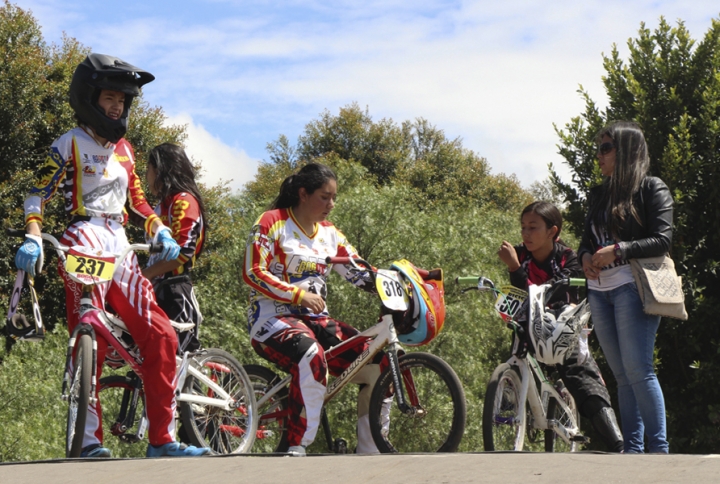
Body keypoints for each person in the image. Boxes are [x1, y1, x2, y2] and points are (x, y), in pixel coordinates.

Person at [14, 53, 209, 458]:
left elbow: (138, 201)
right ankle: (87, 441)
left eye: (123, 99)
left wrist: (160, 229)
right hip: (80, 239)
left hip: (120, 245)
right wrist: (33, 235)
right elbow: (38, 193)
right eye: (109, 97)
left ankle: (163, 439)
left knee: (162, 335)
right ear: (89, 97)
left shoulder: (125, 150)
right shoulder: (67, 142)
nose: (117, 106)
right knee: (89, 335)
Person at [243, 162, 387, 456]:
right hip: (272, 319)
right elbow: (252, 272)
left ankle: (371, 450)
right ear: (303, 194)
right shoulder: (272, 222)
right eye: (325, 196)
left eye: (334, 197)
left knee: (378, 362)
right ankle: (298, 445)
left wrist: (401, 281)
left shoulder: (330, 233)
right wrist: (297, 295)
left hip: (317, 321)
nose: (331, 204)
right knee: (311, 353)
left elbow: (360, 272)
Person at [498, 201, 624, 452]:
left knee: (584, 382)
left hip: (563, 330)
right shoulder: (520, 254)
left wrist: (514, 268)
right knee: (512, 357)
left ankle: (618, 445)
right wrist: (512, 268)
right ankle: (505, 414)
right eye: (523, 227)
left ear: (552, 231)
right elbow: (519, 293)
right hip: (530, 328)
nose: (525, 234)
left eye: (533, 227)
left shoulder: (569, 258)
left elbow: (557, 290)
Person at [578, 120, 672, 454]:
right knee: (621, 375)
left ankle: (658, 450)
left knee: (639, 370)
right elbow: (586, 241)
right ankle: (633, 451)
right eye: (599, 149)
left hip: (633, 288)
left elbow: (663, 239)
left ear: (627, 151)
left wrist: (618, 250)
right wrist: (587, 255)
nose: (599, 156)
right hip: (601, 293)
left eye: (606, 148)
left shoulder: (651, 188)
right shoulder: (600, 193)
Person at [142, 143, 207, 353]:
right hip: (156, 288)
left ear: (160, 170)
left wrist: (146, 274)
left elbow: (183, 252)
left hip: (176, 291)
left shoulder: (184, 201)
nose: (146, 176)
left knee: (178, 359)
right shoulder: (160, 206)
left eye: (148, 169)